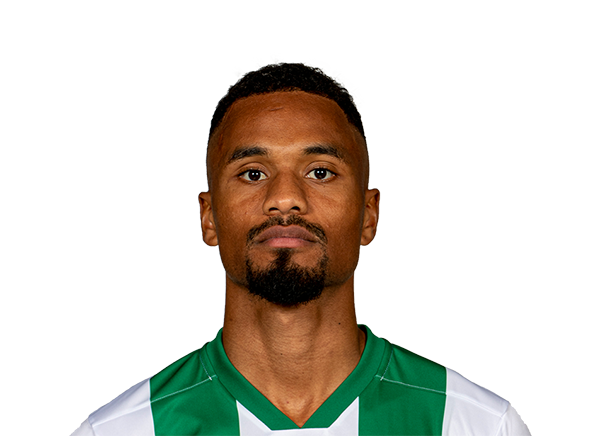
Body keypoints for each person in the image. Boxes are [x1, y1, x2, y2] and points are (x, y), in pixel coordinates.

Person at [72, 62, 531, 435]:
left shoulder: (475, 424)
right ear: (209, 218)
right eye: (253, 173)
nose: (285, 197)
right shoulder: (123, 430)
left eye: (320, 172)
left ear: (368, 215)